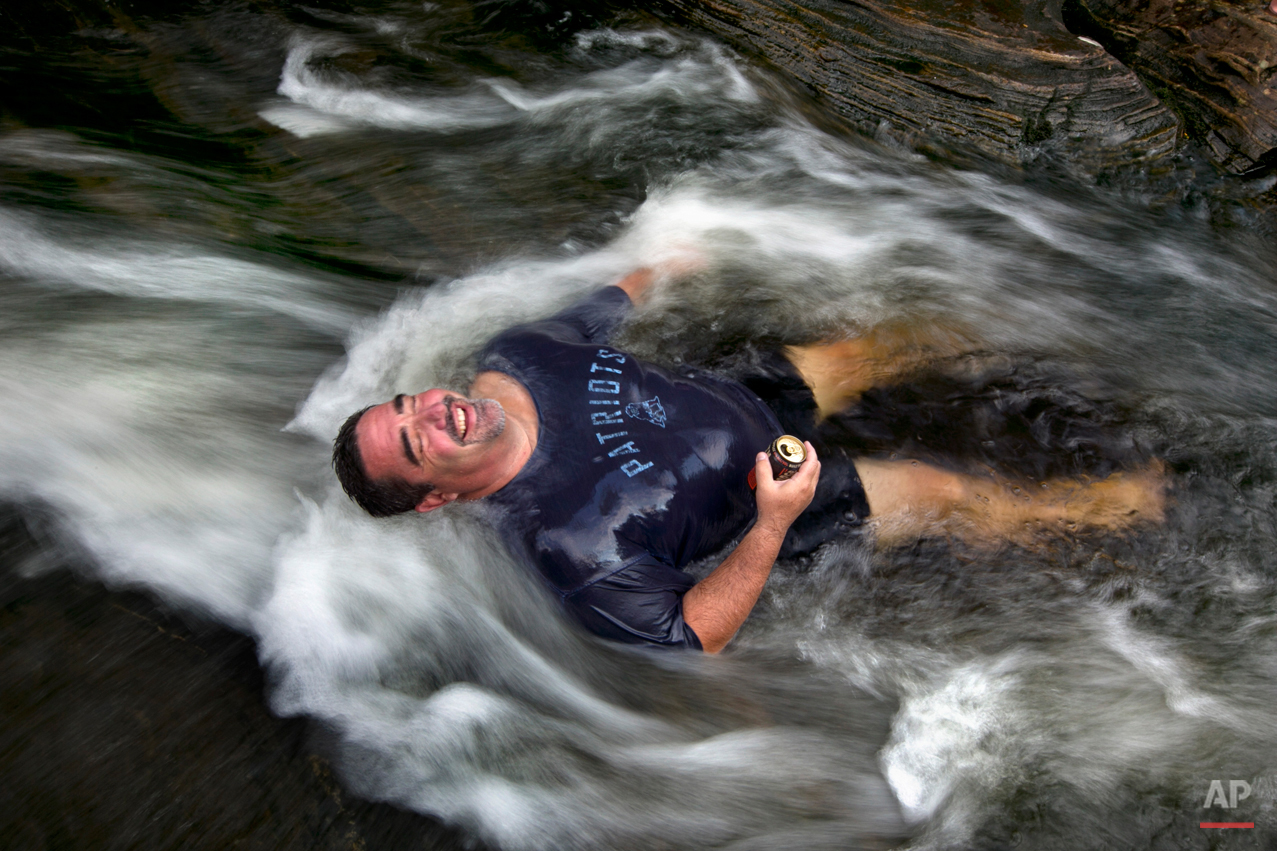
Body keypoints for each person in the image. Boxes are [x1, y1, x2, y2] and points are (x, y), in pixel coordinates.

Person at [332, 266, 1164, 653]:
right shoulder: (565, 546)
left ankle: (1062, 321)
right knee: (946, 494)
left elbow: (600, 307)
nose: (435, 411)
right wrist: (770, 524)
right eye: (417, 440)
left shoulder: (513, 357)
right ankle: (1126, 507)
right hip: (773, 497)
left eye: (412, 403)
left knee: (892, 343)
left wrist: (673, 255)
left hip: (746, 394)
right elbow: (692, 631)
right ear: (435, 498)